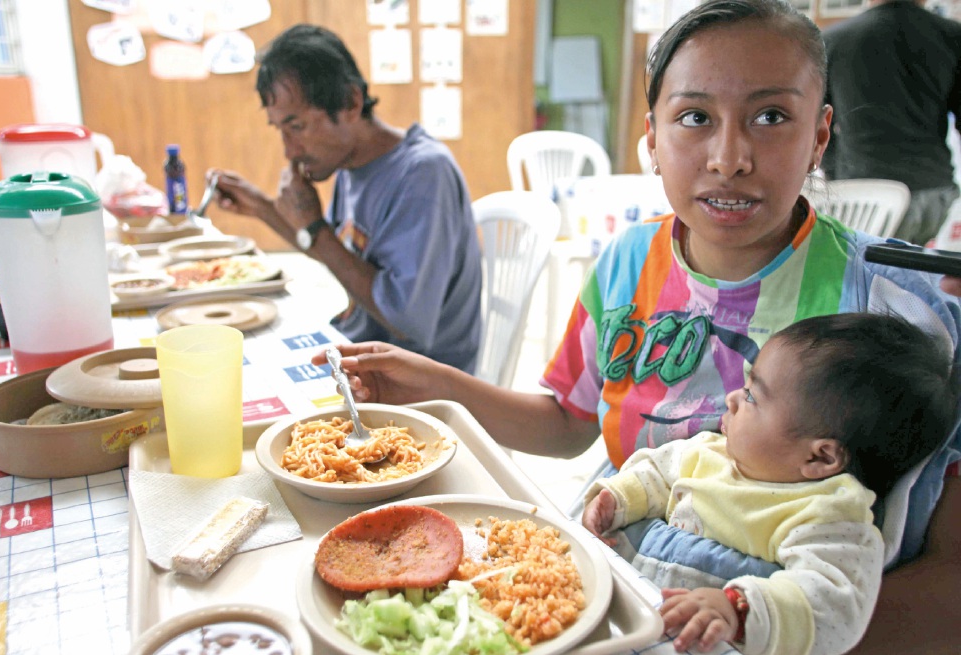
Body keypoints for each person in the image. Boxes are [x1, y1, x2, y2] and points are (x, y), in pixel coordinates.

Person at [314, 1, 961, 651]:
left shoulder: (899, 308)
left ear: (820, 136)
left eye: (770, 116)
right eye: (695, 117)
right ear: (652, 137)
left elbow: (944, 581)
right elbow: (569, 421)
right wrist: (440, 386)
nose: (729, 156)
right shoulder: (629, 260)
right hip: (610, 595)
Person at [582, 313, 957, 654]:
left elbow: (832, 605)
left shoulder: (829, 517)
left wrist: (738, 608)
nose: (730, 399)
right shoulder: (711, 452)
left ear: (820, 457)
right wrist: (616, 498)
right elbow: (656, 473)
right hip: (623, 619)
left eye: (751, 396)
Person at [212, 24, 482, 373]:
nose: (289, 150)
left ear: (351, 102)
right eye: (280, 129)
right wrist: (262, 208)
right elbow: (341, 258)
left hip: (417, 381)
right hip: (357, 352)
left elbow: (407, 323)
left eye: (297, 127)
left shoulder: (423, 174)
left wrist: (314, 225)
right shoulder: (351, 165)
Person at [821, 0, 961, 246]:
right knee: (928, 280)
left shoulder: (835, 39)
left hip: (865, 197)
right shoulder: (951, 36)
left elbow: (817, 122)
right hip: (934, 192)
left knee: (870, 279)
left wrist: (835, 174)